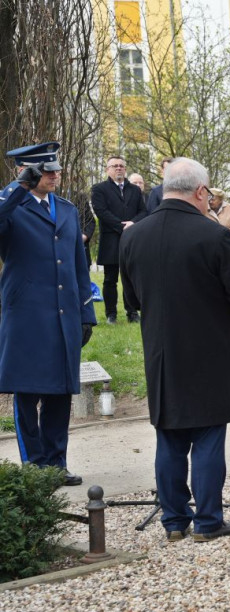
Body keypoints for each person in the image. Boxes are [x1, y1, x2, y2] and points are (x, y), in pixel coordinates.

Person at [120, 158, 230, 542]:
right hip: (210, 351)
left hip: (162, 354)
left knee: (169, 437)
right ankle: (209, 521)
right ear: (200, 192)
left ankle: (174, 522)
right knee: (208, 437)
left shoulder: (133, 236)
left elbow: (132, 299)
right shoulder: (215, 236)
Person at [0, 142, 96, 487]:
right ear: (28, 172)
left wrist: (86, 313)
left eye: (56, 169)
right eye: (47, 170)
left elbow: (78, 265)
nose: (56, 175)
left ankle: (57, 462)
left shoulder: (67, 209)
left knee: (60, 392)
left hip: (64, 314)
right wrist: (16, 188)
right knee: (27, 392)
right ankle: (34, 464)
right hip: (26, 315)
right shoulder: (11, 205)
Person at [91, 155, 146, 323]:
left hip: (132, 239)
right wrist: (121, 226)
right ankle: (111, 314)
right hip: (111, 240)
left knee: (131, 277)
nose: (119, 168)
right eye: (114, 166)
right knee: (110, 279)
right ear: (108, 170)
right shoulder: (99, 189)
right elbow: (101, 211)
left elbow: (143, 211)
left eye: (121, 165)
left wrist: (133, 223)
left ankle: (132, 313)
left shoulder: (135, 190)